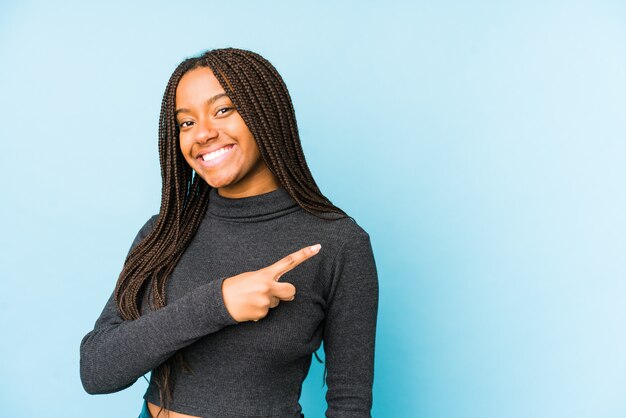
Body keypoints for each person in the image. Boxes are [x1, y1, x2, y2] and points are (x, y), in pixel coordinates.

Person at [79, 47, 379, 418]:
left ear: (265, 113)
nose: (202, 133)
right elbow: (95, 370)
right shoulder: (163, 233)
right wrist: (217, 304)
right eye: (186, 122)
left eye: (223, 110)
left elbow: (349, 402)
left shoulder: (339, 243)